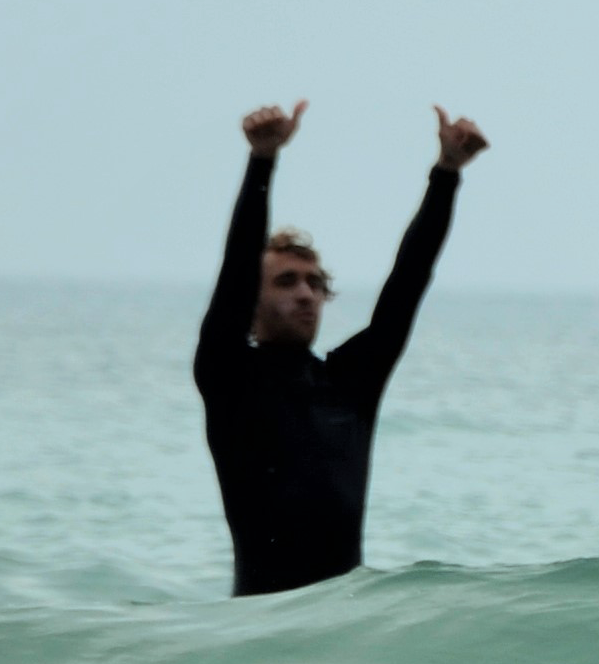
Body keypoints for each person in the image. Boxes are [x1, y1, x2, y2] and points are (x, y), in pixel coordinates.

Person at [195, 98, 487, 596]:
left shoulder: (350, 383)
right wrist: (262, 161)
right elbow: (237, 266)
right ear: (252, 303)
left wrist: (447, 173)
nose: (306, 294)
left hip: (342, 629)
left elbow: (407, 284)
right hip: (258, 622)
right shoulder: (228, 375)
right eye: (286, 282)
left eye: (314, 283)